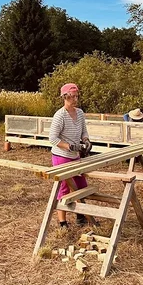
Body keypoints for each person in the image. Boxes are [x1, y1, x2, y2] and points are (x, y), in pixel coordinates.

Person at [49, 83, 92, 228]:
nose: (75, 99)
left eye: (76, 96)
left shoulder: (79, 113)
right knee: (64, 188)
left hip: (75, 155)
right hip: (61, 156)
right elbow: (53, 139)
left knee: (80, 186)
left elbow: (84, 131)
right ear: (65, 97)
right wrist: (69, 146)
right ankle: (63, 222)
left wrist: (86, 140)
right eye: (72, 97)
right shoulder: (60, 115)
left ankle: (80, 215)